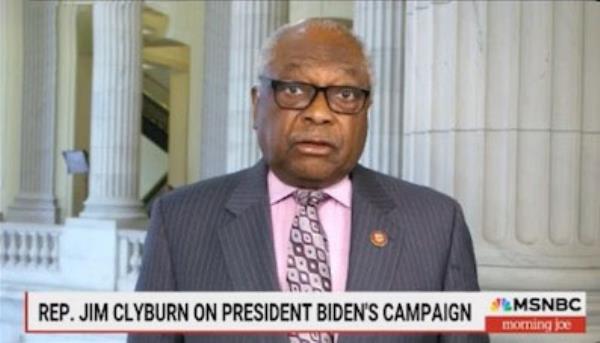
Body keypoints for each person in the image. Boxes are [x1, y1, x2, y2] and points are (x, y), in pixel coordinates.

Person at [130, 18, 488, 343]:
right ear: (257, 105)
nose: (319, 114)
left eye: (345, 95)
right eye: (294, 90)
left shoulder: (437, 225)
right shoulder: (179, 222)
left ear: (366, 112)